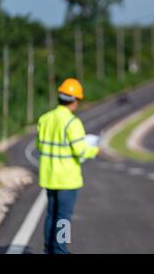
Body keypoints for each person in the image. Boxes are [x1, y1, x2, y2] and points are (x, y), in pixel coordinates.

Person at [36, 78, 99, 254]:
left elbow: (40, 146)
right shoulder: (73, 123)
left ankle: (49, 250)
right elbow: (80, 150)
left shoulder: (45, 119)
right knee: (63, 218)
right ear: (75, 100)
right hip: (67, 179)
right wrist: (94, 150)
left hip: (49, 176)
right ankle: (60, 251)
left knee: (51, 215)